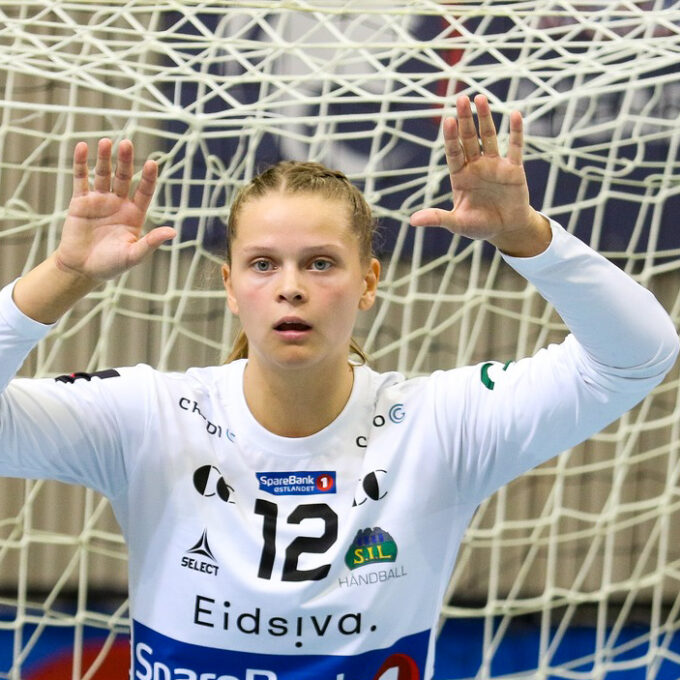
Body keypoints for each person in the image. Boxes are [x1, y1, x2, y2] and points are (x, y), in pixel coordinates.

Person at [1, 94, 677, 680]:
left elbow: (637, 356)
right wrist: (66, 274)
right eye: (263, 264)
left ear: (369, 282)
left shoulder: (439, 426)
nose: (291, 286)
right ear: (230, 287)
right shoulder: (150, 415)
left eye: (321, 263)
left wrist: (528, 236)